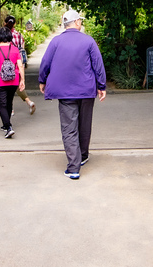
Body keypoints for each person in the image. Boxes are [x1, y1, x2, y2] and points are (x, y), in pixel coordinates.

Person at [38, 9, 106, 179]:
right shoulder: (88, 41)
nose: (81, 23)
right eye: (80, 21)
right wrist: (101, 86)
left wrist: (42, 80)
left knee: (69, 128)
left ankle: (73, 167)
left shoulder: (56, 42)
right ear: (76, 22)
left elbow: (45, 62)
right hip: (86, 90)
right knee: (84, 124)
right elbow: (98, 64)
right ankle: (82, 156)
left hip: (66, 92)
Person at [5, 14, 35, 115]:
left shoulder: (3, 34)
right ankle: (29, 102)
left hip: (6, 62)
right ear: (15, 24)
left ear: (5, 23)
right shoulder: (19, 35)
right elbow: (22, 48)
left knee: (7, 85)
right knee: (17, 84)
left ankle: (11, 108)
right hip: (17, 62)